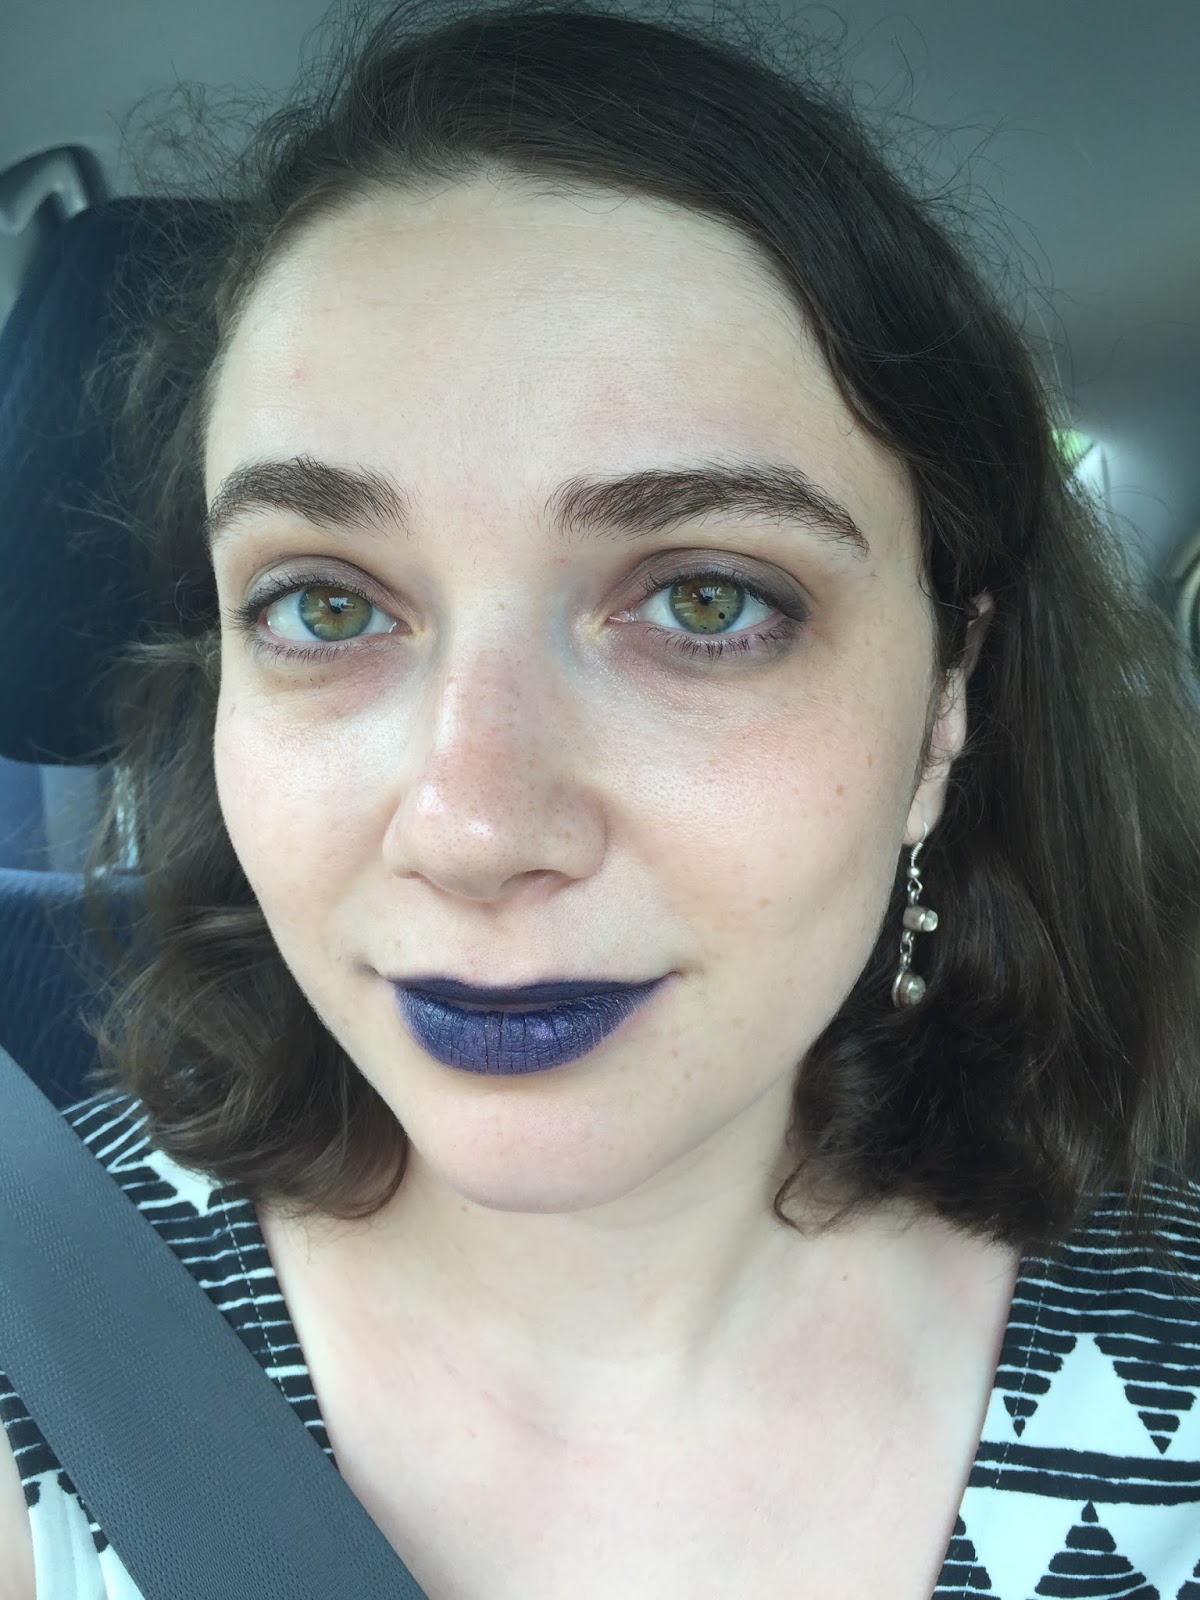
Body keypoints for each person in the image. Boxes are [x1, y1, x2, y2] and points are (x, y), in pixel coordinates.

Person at [3, 0, 1200, 1594]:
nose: (474, 831)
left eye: (708, 601)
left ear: (943, 711)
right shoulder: (39, 1337)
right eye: (325, 606)